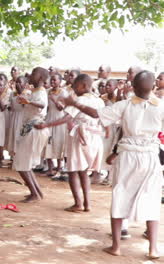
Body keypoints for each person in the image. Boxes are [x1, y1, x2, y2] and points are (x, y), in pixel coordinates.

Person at [61, 71, 162, 259]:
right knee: (152, 198)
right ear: (154, 86)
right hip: (150, 156)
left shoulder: (124, 105)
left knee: (120, 194)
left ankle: (116, 246)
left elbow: (96, 114)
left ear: (134, 87)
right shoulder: (161, 106)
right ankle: (153, 248)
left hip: (129, 156)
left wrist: (75, 103)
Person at [36, 74, 105, 212]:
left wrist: (47, 125)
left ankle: (78, 203)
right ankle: (87, 203)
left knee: (73, 170)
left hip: (79, 136)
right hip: (93, 137)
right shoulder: (99, 101)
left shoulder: (79, 100)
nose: (73, 88)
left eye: (75, 86)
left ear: (84, 86)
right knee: (84, 171)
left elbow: (67, 118)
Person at [13, 67, 50, 202]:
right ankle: (37, 192)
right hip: (30, 127)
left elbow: (42, 104)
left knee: (22, 163)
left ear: (40, 78)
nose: (30, 74)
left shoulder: (41, 92)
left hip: (34, 128)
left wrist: (28, 102)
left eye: (34, 73)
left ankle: (35, 193)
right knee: (24, 163)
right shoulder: (33, 91)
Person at [44, 73, 68, 176]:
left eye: (55, 80)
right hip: (49, 118)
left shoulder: (63, 92)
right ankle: (50, 168)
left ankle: (59, 168)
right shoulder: (47, 91)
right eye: (51, 80)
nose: (53, 82)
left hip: (59, 120)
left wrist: (54, 100)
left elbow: (61, 108)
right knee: (47, 142)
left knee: (58, 143)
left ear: (60, 81)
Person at [5, 76, 30, 159]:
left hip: (23, 117)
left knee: (20, 136)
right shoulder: (13, 93)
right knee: (13, 136)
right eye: (17, 82)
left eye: (20, 82)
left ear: (25, 84)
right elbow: (10, 106)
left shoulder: (28, 93)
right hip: (14, 117)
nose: (18, 84)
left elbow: (26, 106)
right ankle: (13, 157)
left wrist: (22, 95)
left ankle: (21, 157)